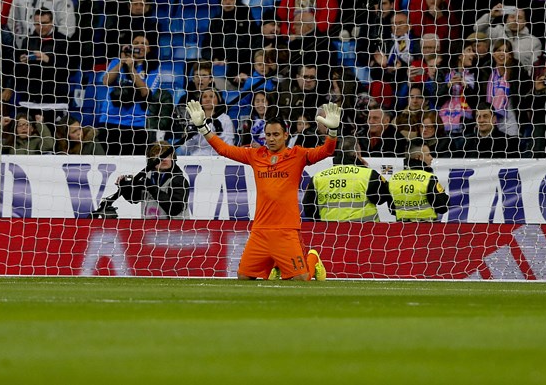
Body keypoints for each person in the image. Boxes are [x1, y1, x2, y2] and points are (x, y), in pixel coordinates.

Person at [185, 100, 342, 281]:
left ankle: (312, 259)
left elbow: (326, 151)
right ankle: (276, 265)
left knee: (301, 279)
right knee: (244, 277)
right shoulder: (256, 155)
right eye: (268, 135)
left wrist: (333, 131)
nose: (271, 139)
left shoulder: (297, 155)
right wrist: (202, 127)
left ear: (285, 135)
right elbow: (224, 149)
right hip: (260, 231)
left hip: (286, 231)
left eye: (276, 134)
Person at [303, 136, 394, 222]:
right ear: (356, 153)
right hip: (365, 230)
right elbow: (382, 198)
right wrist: (363, 167)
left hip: (330, 230)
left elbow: (308, 208)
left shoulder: (318, 178)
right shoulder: (368, 175)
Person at [93, 141, 191, 220]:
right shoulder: (149, 178)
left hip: (174, 232)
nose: (164, 159)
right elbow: (133, 198)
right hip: (150, 230)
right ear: (151, 161)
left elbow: (174, 209)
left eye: (167, 156)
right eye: (159, 156)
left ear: (173, 159)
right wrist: (124, 185)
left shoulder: (179, 180)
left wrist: (151, 187)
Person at [389, 138, 449, 222]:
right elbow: (442, 207)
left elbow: (392, 209)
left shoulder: (393, 178)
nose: (431, 158)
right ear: (419, 157)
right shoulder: (428, 178)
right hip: (426, 226)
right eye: (428, 155)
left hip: (402, 226)